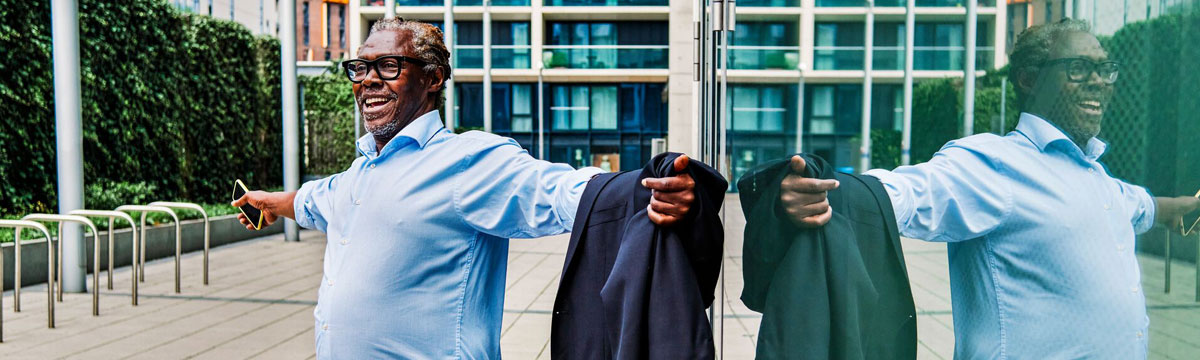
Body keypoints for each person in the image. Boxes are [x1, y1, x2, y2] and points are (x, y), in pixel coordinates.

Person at [231, 18, 698, 359]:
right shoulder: (357, 174)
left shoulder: (466, 161)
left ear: (432, 79)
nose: (368, 80)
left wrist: (646, 190)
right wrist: (268, 203)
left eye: (389, 66)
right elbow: (312, 201)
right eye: (361, 68)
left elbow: (557, 190)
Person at [777, 19, 1200, 359]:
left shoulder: (1097, 177)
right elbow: (907, 192)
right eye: (1078, 68)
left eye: (1106, 69)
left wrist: (1180, 208)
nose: (1099, 81)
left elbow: (1141, 206)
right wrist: (823, 192)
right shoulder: (994, 164)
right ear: (1030, 79)